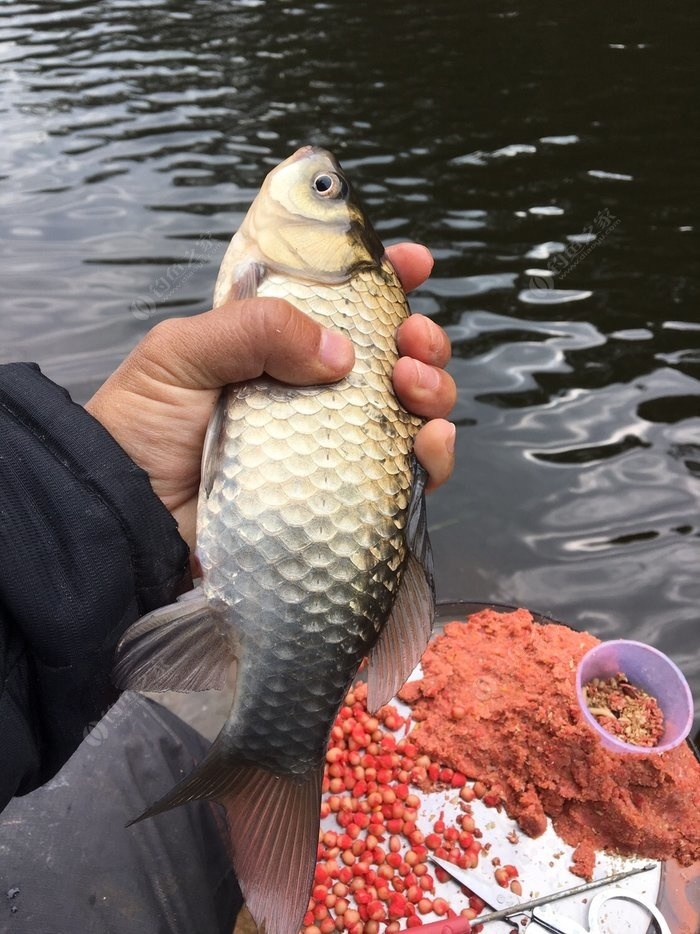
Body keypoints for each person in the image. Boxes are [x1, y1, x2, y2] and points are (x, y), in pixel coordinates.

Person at [0, 242, 455, 932]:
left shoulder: (283, 270)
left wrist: (109, 505)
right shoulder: (327, 292)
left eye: (323, 187)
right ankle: (270, 780)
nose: (308, 171)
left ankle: (269, 764)